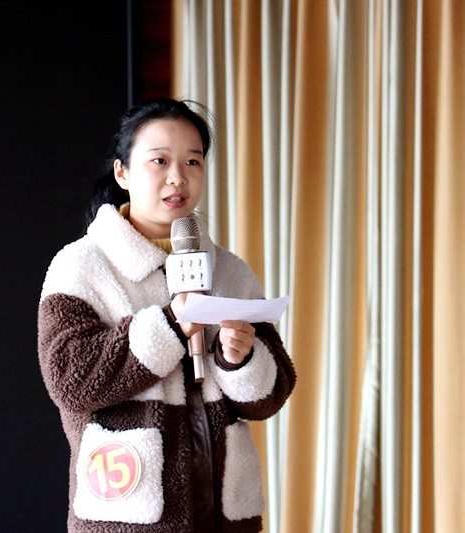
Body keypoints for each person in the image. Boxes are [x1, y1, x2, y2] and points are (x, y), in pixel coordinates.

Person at [37, 97, 296, 532]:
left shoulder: (230, 271)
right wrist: (172, 325)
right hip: (129, 514)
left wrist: (240, 360)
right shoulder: (82, 266)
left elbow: (271, 396)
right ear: (122, 172)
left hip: (224, 515)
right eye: (159, 161)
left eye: (193, 161)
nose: (178, 177)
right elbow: (71, 380)